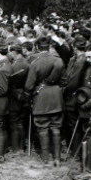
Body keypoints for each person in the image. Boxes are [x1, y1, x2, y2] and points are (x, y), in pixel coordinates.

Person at [25, 36, 65, 165]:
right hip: (56, 97)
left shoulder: (35, 62)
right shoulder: (59, 61)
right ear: (49, 47)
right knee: (56, 127)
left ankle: (46, 159)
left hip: (41, 97)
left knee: (42, 128)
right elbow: (65, 81)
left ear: (36, 47)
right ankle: (57, 158)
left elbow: (29, 86)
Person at [7, 45, 30, 154]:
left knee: (14, 122)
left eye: (10, 52)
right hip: (23, 94)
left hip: (16, 95)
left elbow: (11, 81)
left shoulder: (17, 65)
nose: (9, 55)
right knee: (21, 121)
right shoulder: (26, 62)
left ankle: (16, 148)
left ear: (14, 52)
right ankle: (21, 146)